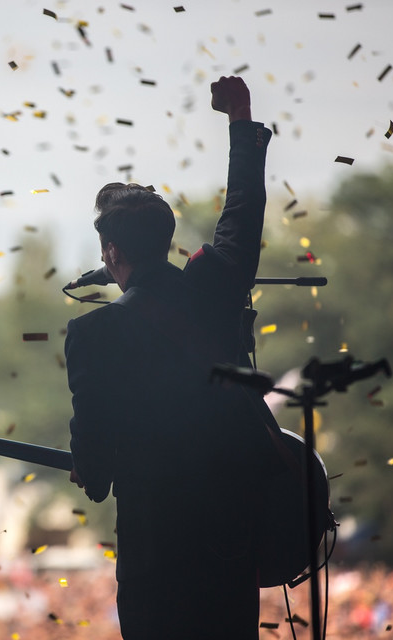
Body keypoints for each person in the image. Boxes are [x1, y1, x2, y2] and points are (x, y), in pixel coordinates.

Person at [65, 76, 283, 639]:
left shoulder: (95, 334)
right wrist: (240, 118)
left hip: (156, 560)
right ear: (164, 241)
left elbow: (92, 472)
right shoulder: (214, 287)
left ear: (111, 253)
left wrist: (91, 466)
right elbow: (243, 214)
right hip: (231, 545)